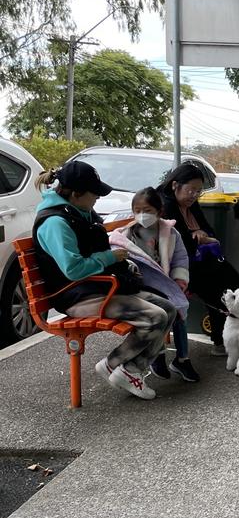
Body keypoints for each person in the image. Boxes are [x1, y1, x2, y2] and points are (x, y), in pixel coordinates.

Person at [33, 162, 176, 401]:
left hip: (98, 287)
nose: (98, 198)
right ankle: (111, 364)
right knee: (155, 317)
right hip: (76, 295)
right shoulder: (55, 223)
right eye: (95, 193)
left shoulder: (79, 211)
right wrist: (109, 257)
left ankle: (131, 370)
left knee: (168, 308)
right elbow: (73, 269)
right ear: (76, 193)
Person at [157, 162, 239, 355]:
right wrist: (199, 236)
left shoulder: (190, 205)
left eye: (198, 191)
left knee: (220, 270)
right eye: (191, 190)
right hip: (178, 268)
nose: (194, 195)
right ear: (175, 185)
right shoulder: (166, 206)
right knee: (220, 282)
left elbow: (210, 233)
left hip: (199, 262)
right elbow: (183, 243)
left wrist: (201, 235)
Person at [110, 188, 200, 383]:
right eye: (138, 210)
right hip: (142, 288)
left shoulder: (170, 233)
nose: (142, 215)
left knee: (179, 312)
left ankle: (182, 358)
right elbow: (123, 263)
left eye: (148, 210)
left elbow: (180, 259)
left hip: (168, 284)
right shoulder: (127, 235)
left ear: (159, 211)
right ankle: (157, 356)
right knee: (161, 312)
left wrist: (180, 282)